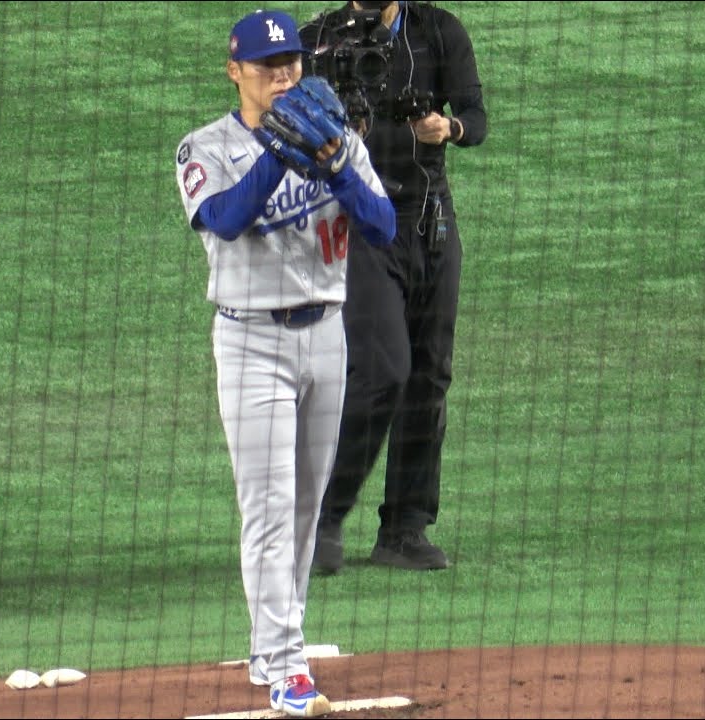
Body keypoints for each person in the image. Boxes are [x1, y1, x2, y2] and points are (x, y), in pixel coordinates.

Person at [174, 8, 394, 717]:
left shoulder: (335, 131)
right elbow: (229, 221)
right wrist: (279, 153)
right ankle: (287, 664)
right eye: (268, 67)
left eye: (292, 64)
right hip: (251, 342)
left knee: (305, 504)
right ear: (234, 70)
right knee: (268, 508)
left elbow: (382, 226)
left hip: (326, 336)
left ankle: (273, 647)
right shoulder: (203, 147)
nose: (283, 77)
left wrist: (334, 161)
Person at [300, 1, 488, 573]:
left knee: (430, 374)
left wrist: (447, 128)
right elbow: (290, 128)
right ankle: (322, 521)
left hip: (431, 224)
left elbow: (477, 120)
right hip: (361, 227)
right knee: (383, 371)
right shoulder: (319, 40)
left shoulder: (439, 30)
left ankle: (404, 530)